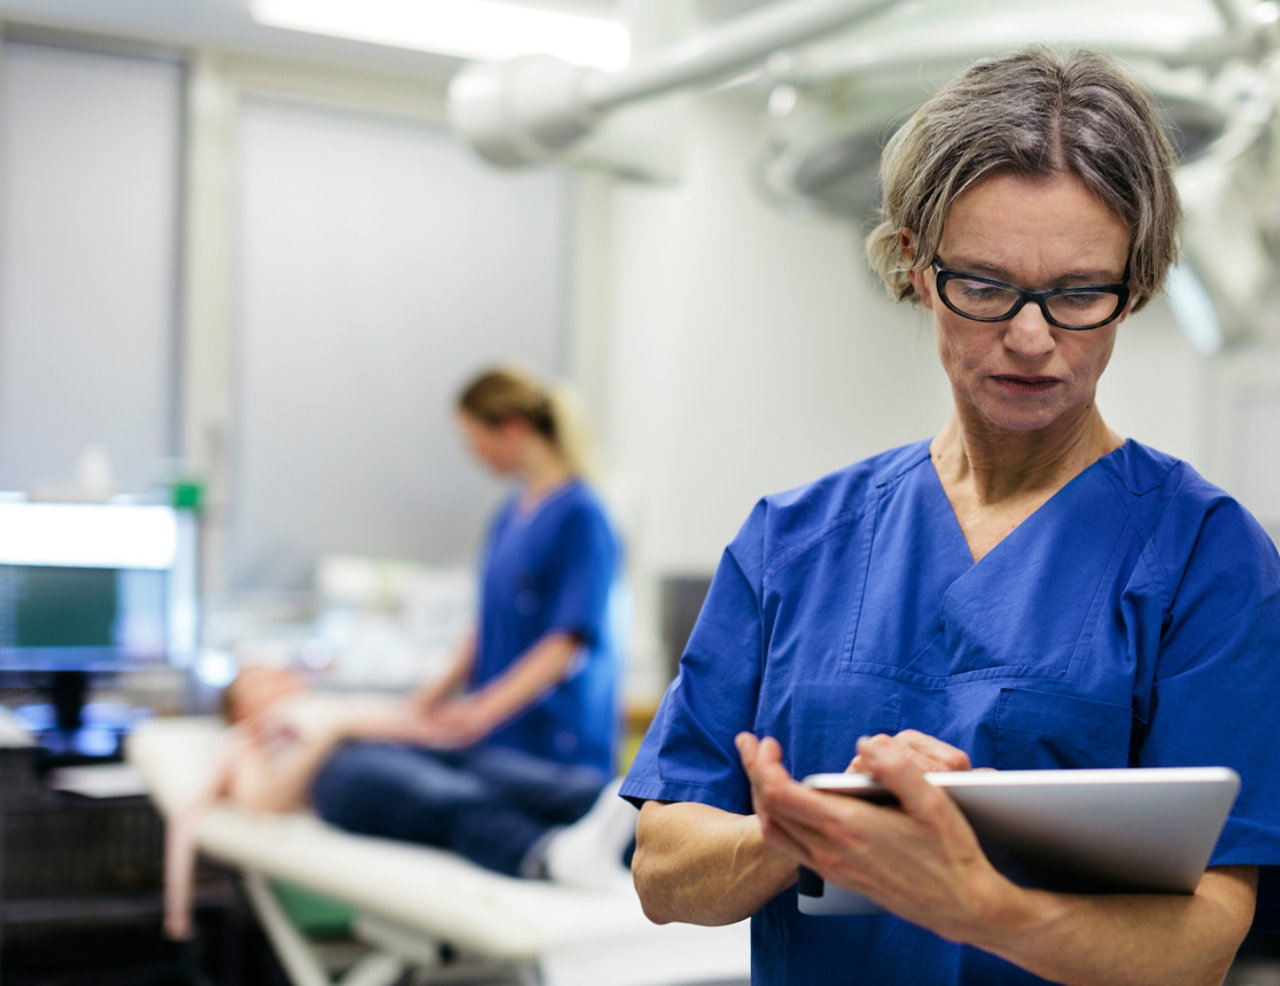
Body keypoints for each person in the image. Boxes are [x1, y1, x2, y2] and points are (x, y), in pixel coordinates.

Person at [621, 46, 1280, 986]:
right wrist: (803, 830)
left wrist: (981, 905)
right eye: (984, 284)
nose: (1029, 337)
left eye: (1079, 294)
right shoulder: (794, 539)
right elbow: (662, 868)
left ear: (1136, 285)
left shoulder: (1204, 557)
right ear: (914, 266)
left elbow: (1207, 936)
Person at [163, 666, 638, 941]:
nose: (278, 680)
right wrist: (331, 732)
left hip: (413, 745)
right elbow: (261, 801)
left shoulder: (330, 701)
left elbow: (412, 717)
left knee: (528, 779)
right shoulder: (253, 740)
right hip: (338, 771)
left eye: (277, 673)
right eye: (259, 682)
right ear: (242, 710)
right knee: (449, 800)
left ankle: (641, 831)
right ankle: (550, 856)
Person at [410, 365, 622, 775]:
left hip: (555, 743)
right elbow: (488, 623)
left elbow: (566, 642)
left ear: (510, 428)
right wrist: (432, 697)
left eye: (474, 440)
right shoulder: (510, 514)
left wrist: (483, 710)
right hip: (501, 739)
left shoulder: (582, 516)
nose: (474, 455)